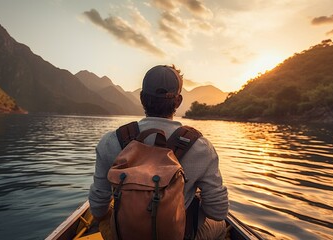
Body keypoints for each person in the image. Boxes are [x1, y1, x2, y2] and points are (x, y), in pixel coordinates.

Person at [88, 65, 229, 239]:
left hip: (126, 236)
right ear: (178, 101)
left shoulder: (111, 142)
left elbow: (97, 207)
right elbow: (218, 211)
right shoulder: (201, 147)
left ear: (141, 98)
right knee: (221, 225)